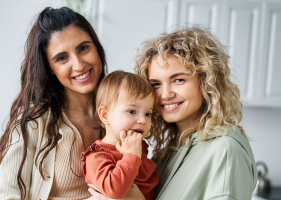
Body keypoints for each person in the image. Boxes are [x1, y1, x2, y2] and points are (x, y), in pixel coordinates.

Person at [89, 27, 257, 200]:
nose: (165, 94)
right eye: (155, 84)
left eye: (178, 80)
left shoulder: (226, 150)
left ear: (206, 82)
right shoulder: (167, 151)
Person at [0, 7, 108, 200]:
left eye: (84, 48)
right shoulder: (33, 120)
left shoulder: (120, 109)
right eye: (62, 58)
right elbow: (3, 196)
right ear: (50, 68)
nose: (78, 65)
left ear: (96, 47)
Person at [81, 71, 159, 200]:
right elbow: (115, 191)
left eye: (147, 113)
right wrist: (132, 154)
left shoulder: (140, 147)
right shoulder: (97, 156)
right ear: (105, 115)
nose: (143, 120)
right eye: (132, 111)